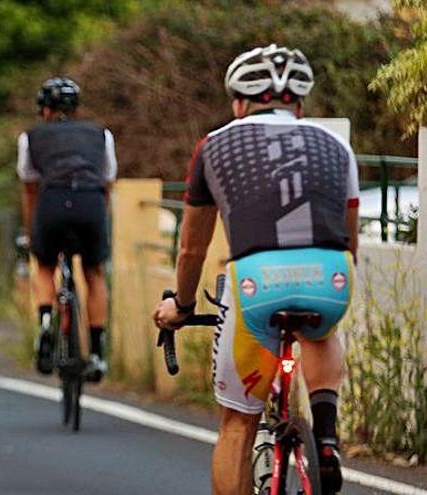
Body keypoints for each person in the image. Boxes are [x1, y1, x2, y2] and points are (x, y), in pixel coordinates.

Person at [152, 44, 358, 494]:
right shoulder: (337, 145)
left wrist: (183, 306)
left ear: (239, 103)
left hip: (255, 283)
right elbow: (349, 236)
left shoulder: (213, 144)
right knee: (320, 330)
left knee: (236, 427)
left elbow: (192, 249)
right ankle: (325, 434)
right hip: (331, 275)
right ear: (299, 104)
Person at [17, 77, 117, 382]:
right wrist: (101, 218)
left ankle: (46, 320)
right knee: (94, 272)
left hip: (52, 201)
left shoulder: (30, 137)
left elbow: (30, 188)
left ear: (44, 110)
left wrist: (32, 231)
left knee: (45, 265)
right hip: (90, 202)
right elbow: (108, 181)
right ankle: (97, 353)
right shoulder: (101, 135)